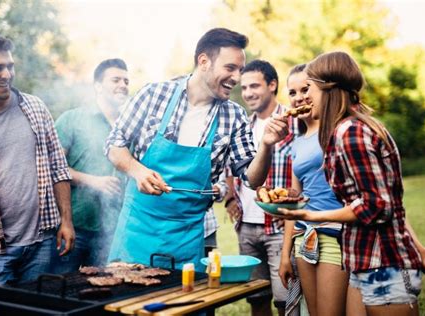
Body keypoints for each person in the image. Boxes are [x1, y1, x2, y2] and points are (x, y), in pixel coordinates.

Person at [275, 51, 425, 316]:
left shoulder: (351, 132)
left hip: (384, 261)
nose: (305, 97)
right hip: (365, 257)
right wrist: (416, 246)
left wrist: (310, 214)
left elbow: (377, 206)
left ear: (329, 88)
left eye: (311, 88)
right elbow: (386, 200)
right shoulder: (353, 127)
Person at [105, 28, 289, 270]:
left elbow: (252, 179)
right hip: (137, 231)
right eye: (230, 68)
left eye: (240, 70)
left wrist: (266, 145)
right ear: (204, 61)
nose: (236, 77)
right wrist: (138, 171)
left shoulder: (234, 116)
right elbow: (114, 144)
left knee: (185, 305)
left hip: (187, 238)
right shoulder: (154, 95)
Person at [0, 31, 74, 289]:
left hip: (40, 244)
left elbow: (58, 169)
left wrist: (66, 220)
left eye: (10, 66)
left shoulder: (35, 107)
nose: (6, 74)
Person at [225, 59, 297, 316]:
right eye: (244, 88)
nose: (248, 93)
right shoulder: (242, 125)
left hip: (279, 227)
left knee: (286, 301)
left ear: (272, 85)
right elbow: (230, 166)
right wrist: (230, 198)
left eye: (254, 86)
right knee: (257, 298)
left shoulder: (293, 122)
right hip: (246, 227)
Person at [279, 64, 347, 316]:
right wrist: (286, 254)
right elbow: (294, 202)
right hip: (304, 238)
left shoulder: (337, 130)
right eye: (293, 92)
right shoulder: (296, 143)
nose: (299, 98)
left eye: (306, 89)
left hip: (334, 233)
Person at [51, 59, 129, 273]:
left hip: (113, 231)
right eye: (116, 79)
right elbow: (51, 167)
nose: (123, 85)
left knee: (105, 293)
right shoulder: (73, 119)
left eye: (126, 81)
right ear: (97, 86)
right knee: (62, 291)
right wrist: (94, 181)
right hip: (74, 227)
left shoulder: (130, 126)